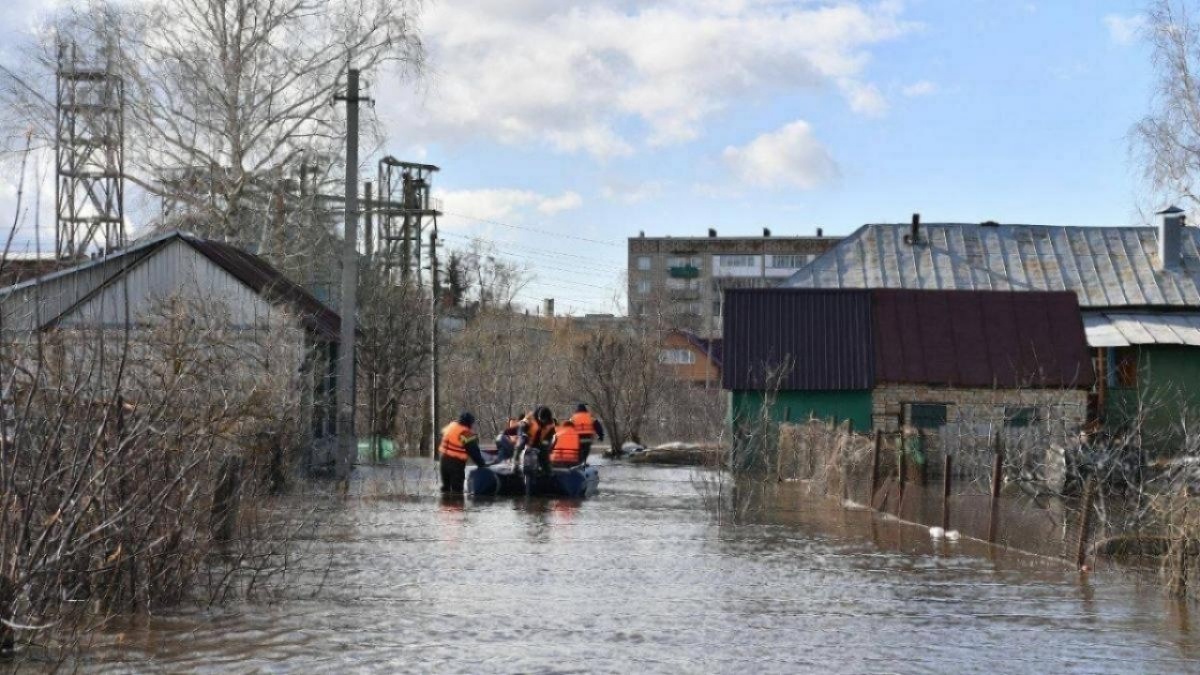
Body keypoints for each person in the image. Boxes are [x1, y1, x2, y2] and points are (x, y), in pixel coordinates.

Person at [439, 411, 486, 494]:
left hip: (443, 461)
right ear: (469, 423)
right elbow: (474, 452)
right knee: (457, 491)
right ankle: (457, 505)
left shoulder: (451, 426)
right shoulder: (465, 433)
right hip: (455, 464)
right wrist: (482, 465)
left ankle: (444, 505)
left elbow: (442, 435)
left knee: (445, 489)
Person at [518, 406, 556, 473]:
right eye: (541, 419)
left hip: (540, 442)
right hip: (527, 441)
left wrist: (546, 443)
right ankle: (515, 462)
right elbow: (522, 425)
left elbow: (551, 435)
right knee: (521, 442)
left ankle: (547, 473)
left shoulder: (551, 423)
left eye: (544, 420)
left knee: (544, 452)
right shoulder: (530, 417)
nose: (542, 421)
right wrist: (523, 433)